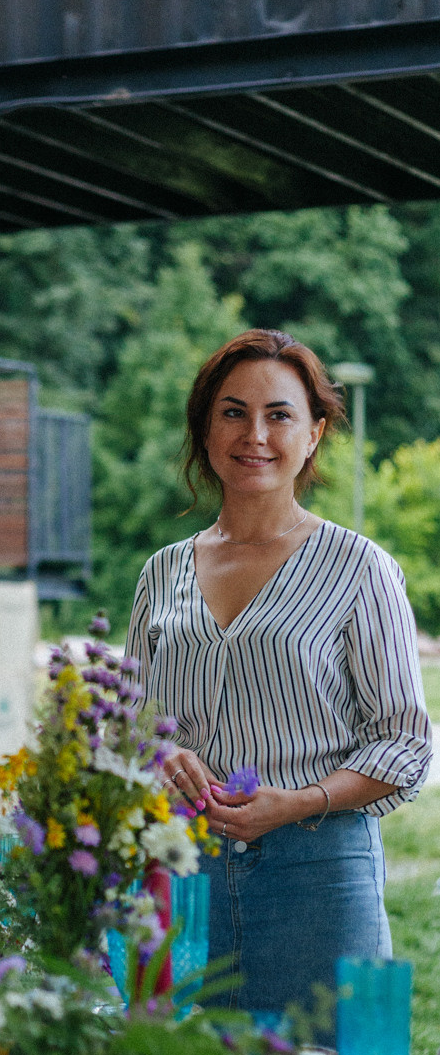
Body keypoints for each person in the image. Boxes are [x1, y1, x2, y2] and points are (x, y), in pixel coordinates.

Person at [126, 328, 431, 1017]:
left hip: (317, 874)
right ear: (205, 430)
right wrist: (159, 748)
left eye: (278, 414)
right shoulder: (162, 570)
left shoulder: (360, 568)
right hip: (180, 871)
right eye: (232, 412)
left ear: (314, 433)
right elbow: (129, 722)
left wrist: (294, 802)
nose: (253, 434)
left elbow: (405, 744)